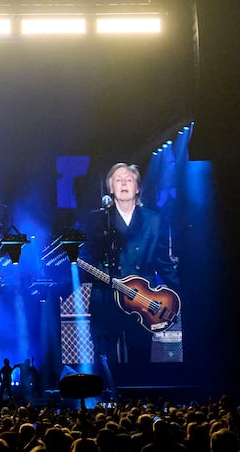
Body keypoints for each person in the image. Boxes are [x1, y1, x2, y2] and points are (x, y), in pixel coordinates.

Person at [84, 162, 180, 397]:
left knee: (140, 351)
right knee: (105, 354)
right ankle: (107, 400)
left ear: (137, 187)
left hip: (143, 300)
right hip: (107, 296)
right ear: (110, 188)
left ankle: (141, 403)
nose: (124, 183)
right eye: (118, 179)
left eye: (129, 179)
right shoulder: (97, 220)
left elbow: (163, 261)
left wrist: (179, 291)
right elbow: (87, 257)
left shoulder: (154, 220)